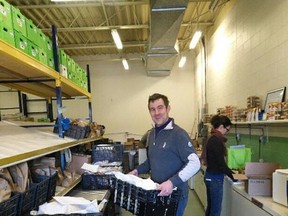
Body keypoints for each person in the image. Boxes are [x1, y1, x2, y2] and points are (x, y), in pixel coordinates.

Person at [130, 93, 200, 216]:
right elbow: (151, 161)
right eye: (152, 109)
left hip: (175, 194)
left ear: (168, 109)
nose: (156, 112)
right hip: (157, 191)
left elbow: (195, 163)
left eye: (160, 107)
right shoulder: (151, 134)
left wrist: (172, 182)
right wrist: (136, 171)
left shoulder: (178, 134)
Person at [202, 115, 236, 216]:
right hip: (215, 179)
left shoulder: (212, 137)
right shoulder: (216, 141)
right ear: (221, 126)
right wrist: (233, 176)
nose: (227, 132)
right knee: (215, 210)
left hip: (210, 176)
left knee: (211, 207)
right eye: (227, 129)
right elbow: (221, 164)